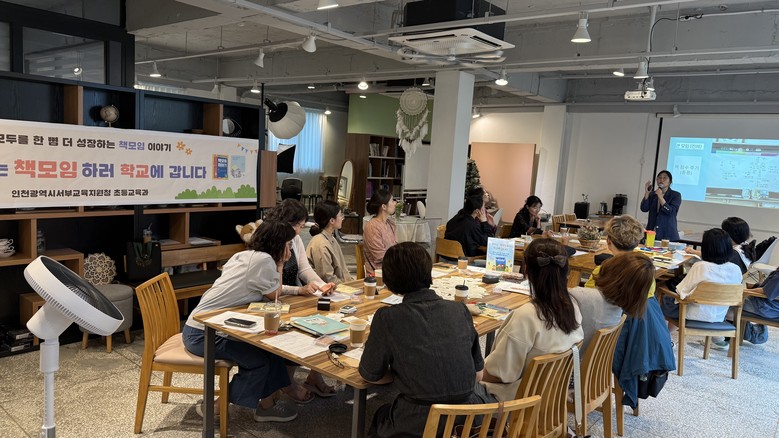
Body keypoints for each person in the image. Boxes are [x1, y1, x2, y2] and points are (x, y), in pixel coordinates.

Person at [359, 242, 485, 437]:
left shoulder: (388, 317)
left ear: (390, 280)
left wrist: (401, 373)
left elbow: (370, 374)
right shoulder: (459, 309)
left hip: (420, 422)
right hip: (470, 420)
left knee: (381, 415)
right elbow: (478, 375)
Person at [181, 221, 300, 422]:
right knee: (259, 362)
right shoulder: (264, 261)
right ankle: (217, 407)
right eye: (288, 244)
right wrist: (280, 264)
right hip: (204, 334)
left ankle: (267, 404)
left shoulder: (244, 255)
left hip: (198, 326)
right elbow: (275, 295)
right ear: (279, 244)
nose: (290, 249)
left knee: (270, 351)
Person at [476, 238, 583, 402]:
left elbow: (500, 374)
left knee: (451, 380)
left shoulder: (526, 316)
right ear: (565, 273)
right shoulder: (573, 307)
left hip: (514, 400)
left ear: (527, 271)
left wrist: (473, 372)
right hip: (550, 395)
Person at [265, 199, 336, 398]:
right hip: (274, 300)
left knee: (325, 323)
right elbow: (271, 289)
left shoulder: (294, 240)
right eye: (298, 225)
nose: (299, 231)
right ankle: (287, 383)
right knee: (301, 331)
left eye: (301, 226)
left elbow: (304, 269)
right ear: (285, 222)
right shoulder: (271, 241)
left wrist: (322, 285)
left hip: (294, 297)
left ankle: (314, 375)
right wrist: (300, 290)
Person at [660, 228, 743, 338]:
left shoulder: (701, 267)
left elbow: (682, 292)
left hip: (694, 314)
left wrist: (662, 288)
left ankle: (663, 336)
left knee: (664, 295)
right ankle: (666, 336)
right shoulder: (736, 269)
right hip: (719, 315)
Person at [570, 252, 653, 353]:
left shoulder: (580, 295)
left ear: (611, 268)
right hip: (591, 359)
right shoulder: (618, 308)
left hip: (570, 359)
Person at [584, 215, 656, 298]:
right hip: (637, 306)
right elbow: (648, 297)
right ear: (637, 243)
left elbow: (587, 297)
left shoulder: (602, 271)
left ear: (608, 242)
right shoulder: (646, 271)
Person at [306, 200, 354, 284]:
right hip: (330, 288)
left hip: (341, 284)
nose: (342, 218)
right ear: (332, 220)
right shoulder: (321, 244)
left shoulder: (330, 238)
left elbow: (343, 271)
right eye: (340, 215)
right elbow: (328, 278)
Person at [685, 217, 755, 274]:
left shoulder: (734, 254)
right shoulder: (745, 246)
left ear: (729, 234)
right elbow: (715, 256)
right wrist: (694, 251)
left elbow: (714, 258)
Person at [444, 189, 496, 257]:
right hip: (465, 259)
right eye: (483, 207)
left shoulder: (455, 219)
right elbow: (489, 242)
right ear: (477, 211)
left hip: (446, 256)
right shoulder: (471, 225)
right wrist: (484, 222)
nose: (484, 209)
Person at [362, 189, 398, 271]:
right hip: (378, 271)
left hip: (391, 267)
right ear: (384, 206)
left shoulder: (390, 224)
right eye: (392, 201)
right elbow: (380, 256)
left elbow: (395, 248)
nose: (395, 203)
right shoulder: (372, 226)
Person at [640, 170, 681, 241]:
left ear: (670, 181)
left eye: (664, 178)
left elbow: (670, 212)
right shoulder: (653, 194)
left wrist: (660, 197)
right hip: (651, 233)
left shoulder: (675, 195)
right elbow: (644, 208)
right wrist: (647, 193)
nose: (661, 180)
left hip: (667, 234)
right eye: (659, 178)